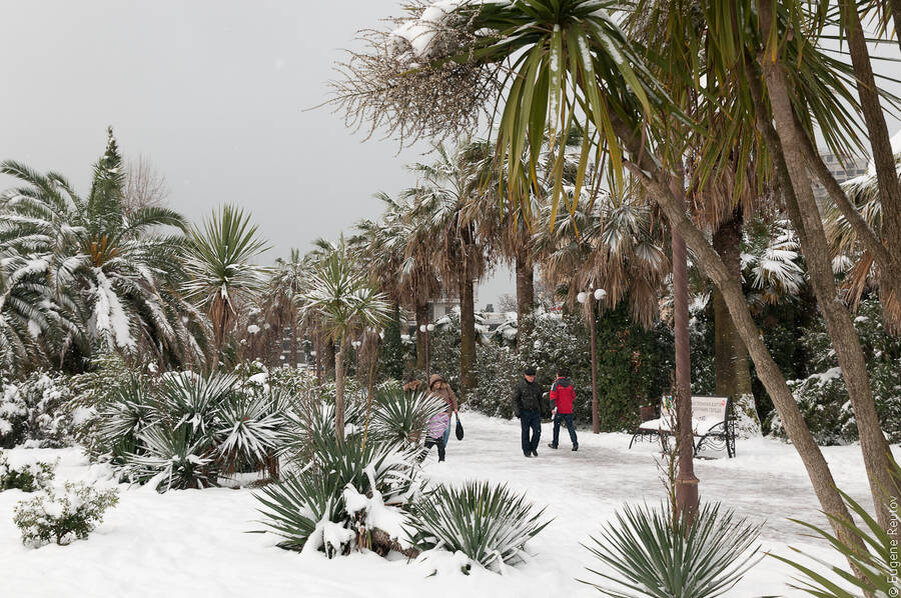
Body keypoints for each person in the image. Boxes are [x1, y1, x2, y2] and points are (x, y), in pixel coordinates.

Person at [426, 373, 458, 461]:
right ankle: (440, 450)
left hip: (447, 413)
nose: (437, 385)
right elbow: (427, 401)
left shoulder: (446, 387)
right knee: (436, 432)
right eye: (435, 384)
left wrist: (455, 407)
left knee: (446, 431)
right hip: (436, 414)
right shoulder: (430, 391)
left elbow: (453, 397)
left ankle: (443, 447)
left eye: (439, 383)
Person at [513, 366, 543, 458]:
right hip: (524, 412)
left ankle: (533, 447)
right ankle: (526, 450)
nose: (531, 378)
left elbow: (540, 399)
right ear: (525, 376)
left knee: (537, 431)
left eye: (533, 376)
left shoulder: (537, 385)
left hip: (535, 412)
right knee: (525, 432)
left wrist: (542, 410)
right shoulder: (520, 385)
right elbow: (515, 399)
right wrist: (517, 411)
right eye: (529, 376)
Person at [547, 366, 579, 451]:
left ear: (557, 375)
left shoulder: (555, 384)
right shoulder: (569, 384)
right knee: (570, 427)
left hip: (559, 409)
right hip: (568, 409)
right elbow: (573, 396)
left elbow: (552, 396)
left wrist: (553, 407)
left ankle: (555, 443)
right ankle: (575, 443)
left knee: (556, 427)